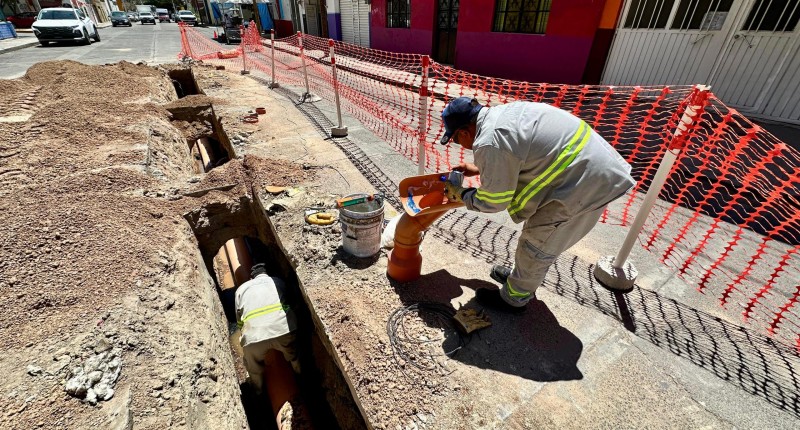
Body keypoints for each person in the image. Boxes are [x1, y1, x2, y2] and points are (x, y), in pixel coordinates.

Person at [440, 97, 635, 313]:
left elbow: (493, 201)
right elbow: (521, 151)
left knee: (537, 244)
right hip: (590, 169)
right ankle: (519, 279)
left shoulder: (490, 142)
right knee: (537, 243)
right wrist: (480, 168)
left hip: (581, 185)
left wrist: (462, 194)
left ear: (465, 132)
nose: (461, 145)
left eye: (456, 140)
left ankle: (514, 298)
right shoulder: (502, 115)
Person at [235, 263, 300, 394]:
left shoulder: (241, 289)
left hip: (253, 338)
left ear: (251, 278)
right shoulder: (277, 281)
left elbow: (239, 319)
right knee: (294, 355)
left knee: (253, 367)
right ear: (266, 274)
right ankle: (300, 376)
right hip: (283, 330)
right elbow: (291, 303)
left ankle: (258, 391)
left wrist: (244, 332)